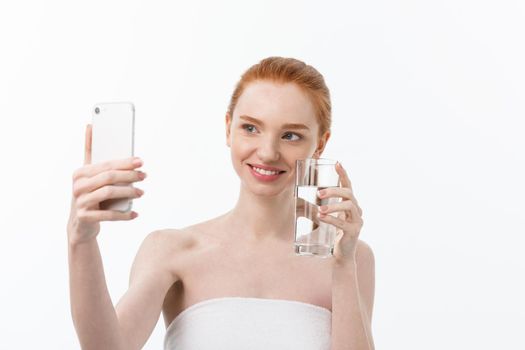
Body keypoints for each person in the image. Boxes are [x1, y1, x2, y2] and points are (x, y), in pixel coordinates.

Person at [67, 56, 375, 350]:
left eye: (291, 135)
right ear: (228, 128)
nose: (268, 152)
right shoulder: (172, 250)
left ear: (320, 144)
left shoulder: (349, 256)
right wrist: (81, 240)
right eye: (251, 128)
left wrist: (344, 265)